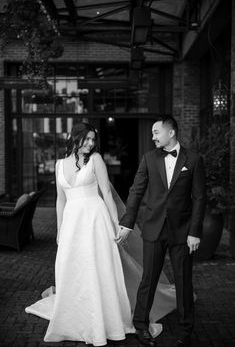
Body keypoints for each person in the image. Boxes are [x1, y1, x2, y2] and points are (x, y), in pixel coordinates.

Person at [25, 122, 177, 346]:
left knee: (99, 266)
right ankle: (77, 315)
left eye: (92, 140)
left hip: (96, 221)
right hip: (71, 224)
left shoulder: (96, 160)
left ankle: (105, 318)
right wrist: (59, 229)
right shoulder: (59, 165)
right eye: (86, 139)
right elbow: (60, 200)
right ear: (73, 138)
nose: (90, 143)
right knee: (70, 266)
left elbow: (106, 192)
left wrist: (116, 223)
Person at [117, 115, 206, 347]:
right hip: (153, 228)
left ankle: (186, 330)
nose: (153, 136)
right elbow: (136, 191)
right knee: (148, 280)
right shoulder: (148, 159)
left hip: (183, 231)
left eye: (156, 132)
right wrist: (127, 223)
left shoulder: (193, 159)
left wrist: (195, 231)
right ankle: (141, 326)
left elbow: (199, 198)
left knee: (183, 281)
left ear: (171, 132)